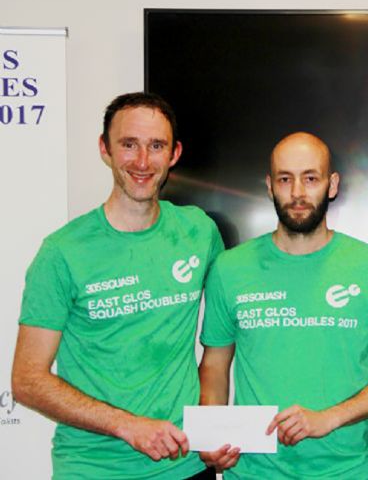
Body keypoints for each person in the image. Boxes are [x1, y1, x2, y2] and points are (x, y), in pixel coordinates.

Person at [11, 92, 224, 479]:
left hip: (187, 467)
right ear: (104, 149)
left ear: (174, 153)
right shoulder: (62, 252)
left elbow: (227, 332)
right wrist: (127, 425)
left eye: (156, 146)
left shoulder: (199, 232)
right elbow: (27, 380)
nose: (142, 162)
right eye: (129, 144)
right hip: (95, 469)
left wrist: (218, 428)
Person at [198, 132, 368, 478]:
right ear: (270, 186)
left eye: (310, 178)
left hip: (345, 471)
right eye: (285, 179)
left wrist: (328, 418)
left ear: (332, 185)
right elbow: (214, 365)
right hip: (255, 471)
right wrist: (210, 434)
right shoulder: (229, 268)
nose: (298, 192)